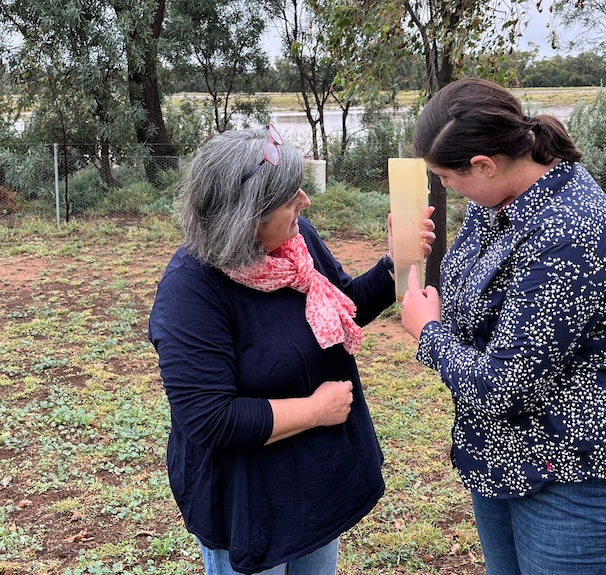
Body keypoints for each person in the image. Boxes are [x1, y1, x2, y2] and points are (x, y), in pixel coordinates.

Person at [400, 78, 606, 575]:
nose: (447, 187)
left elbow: (503, 386)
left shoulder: (574, 230)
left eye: (446, 176)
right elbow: (467, 308)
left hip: (573, 477)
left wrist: (428, 335)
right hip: (502, 462)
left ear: (484, 164)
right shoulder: (496, 205)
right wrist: (407, 256)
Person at [148, 126, 434, 575]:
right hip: (249, 500)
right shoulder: (191, 291)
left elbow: (340, 310)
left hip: (314, 480)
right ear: (245, 219)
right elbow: (209, 418)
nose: (304, 201)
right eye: (289, 199)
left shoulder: (297, 244)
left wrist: (394, 263)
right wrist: (316, 411)